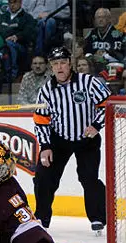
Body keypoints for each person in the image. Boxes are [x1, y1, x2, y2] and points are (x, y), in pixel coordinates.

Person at [33, 46, 111, 233]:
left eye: (62, 63)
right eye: (55, 64)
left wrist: (96, 125)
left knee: (89, 177)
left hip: (87, 139)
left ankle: (98, 218)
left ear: (70, 64)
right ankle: (41, 218)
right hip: (58, 140)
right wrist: (45, 146)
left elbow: (107, 105)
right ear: (51, 67)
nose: (59, 67)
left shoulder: (88, 82)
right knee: (43, 178)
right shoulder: (46, 90)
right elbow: (41, 120)